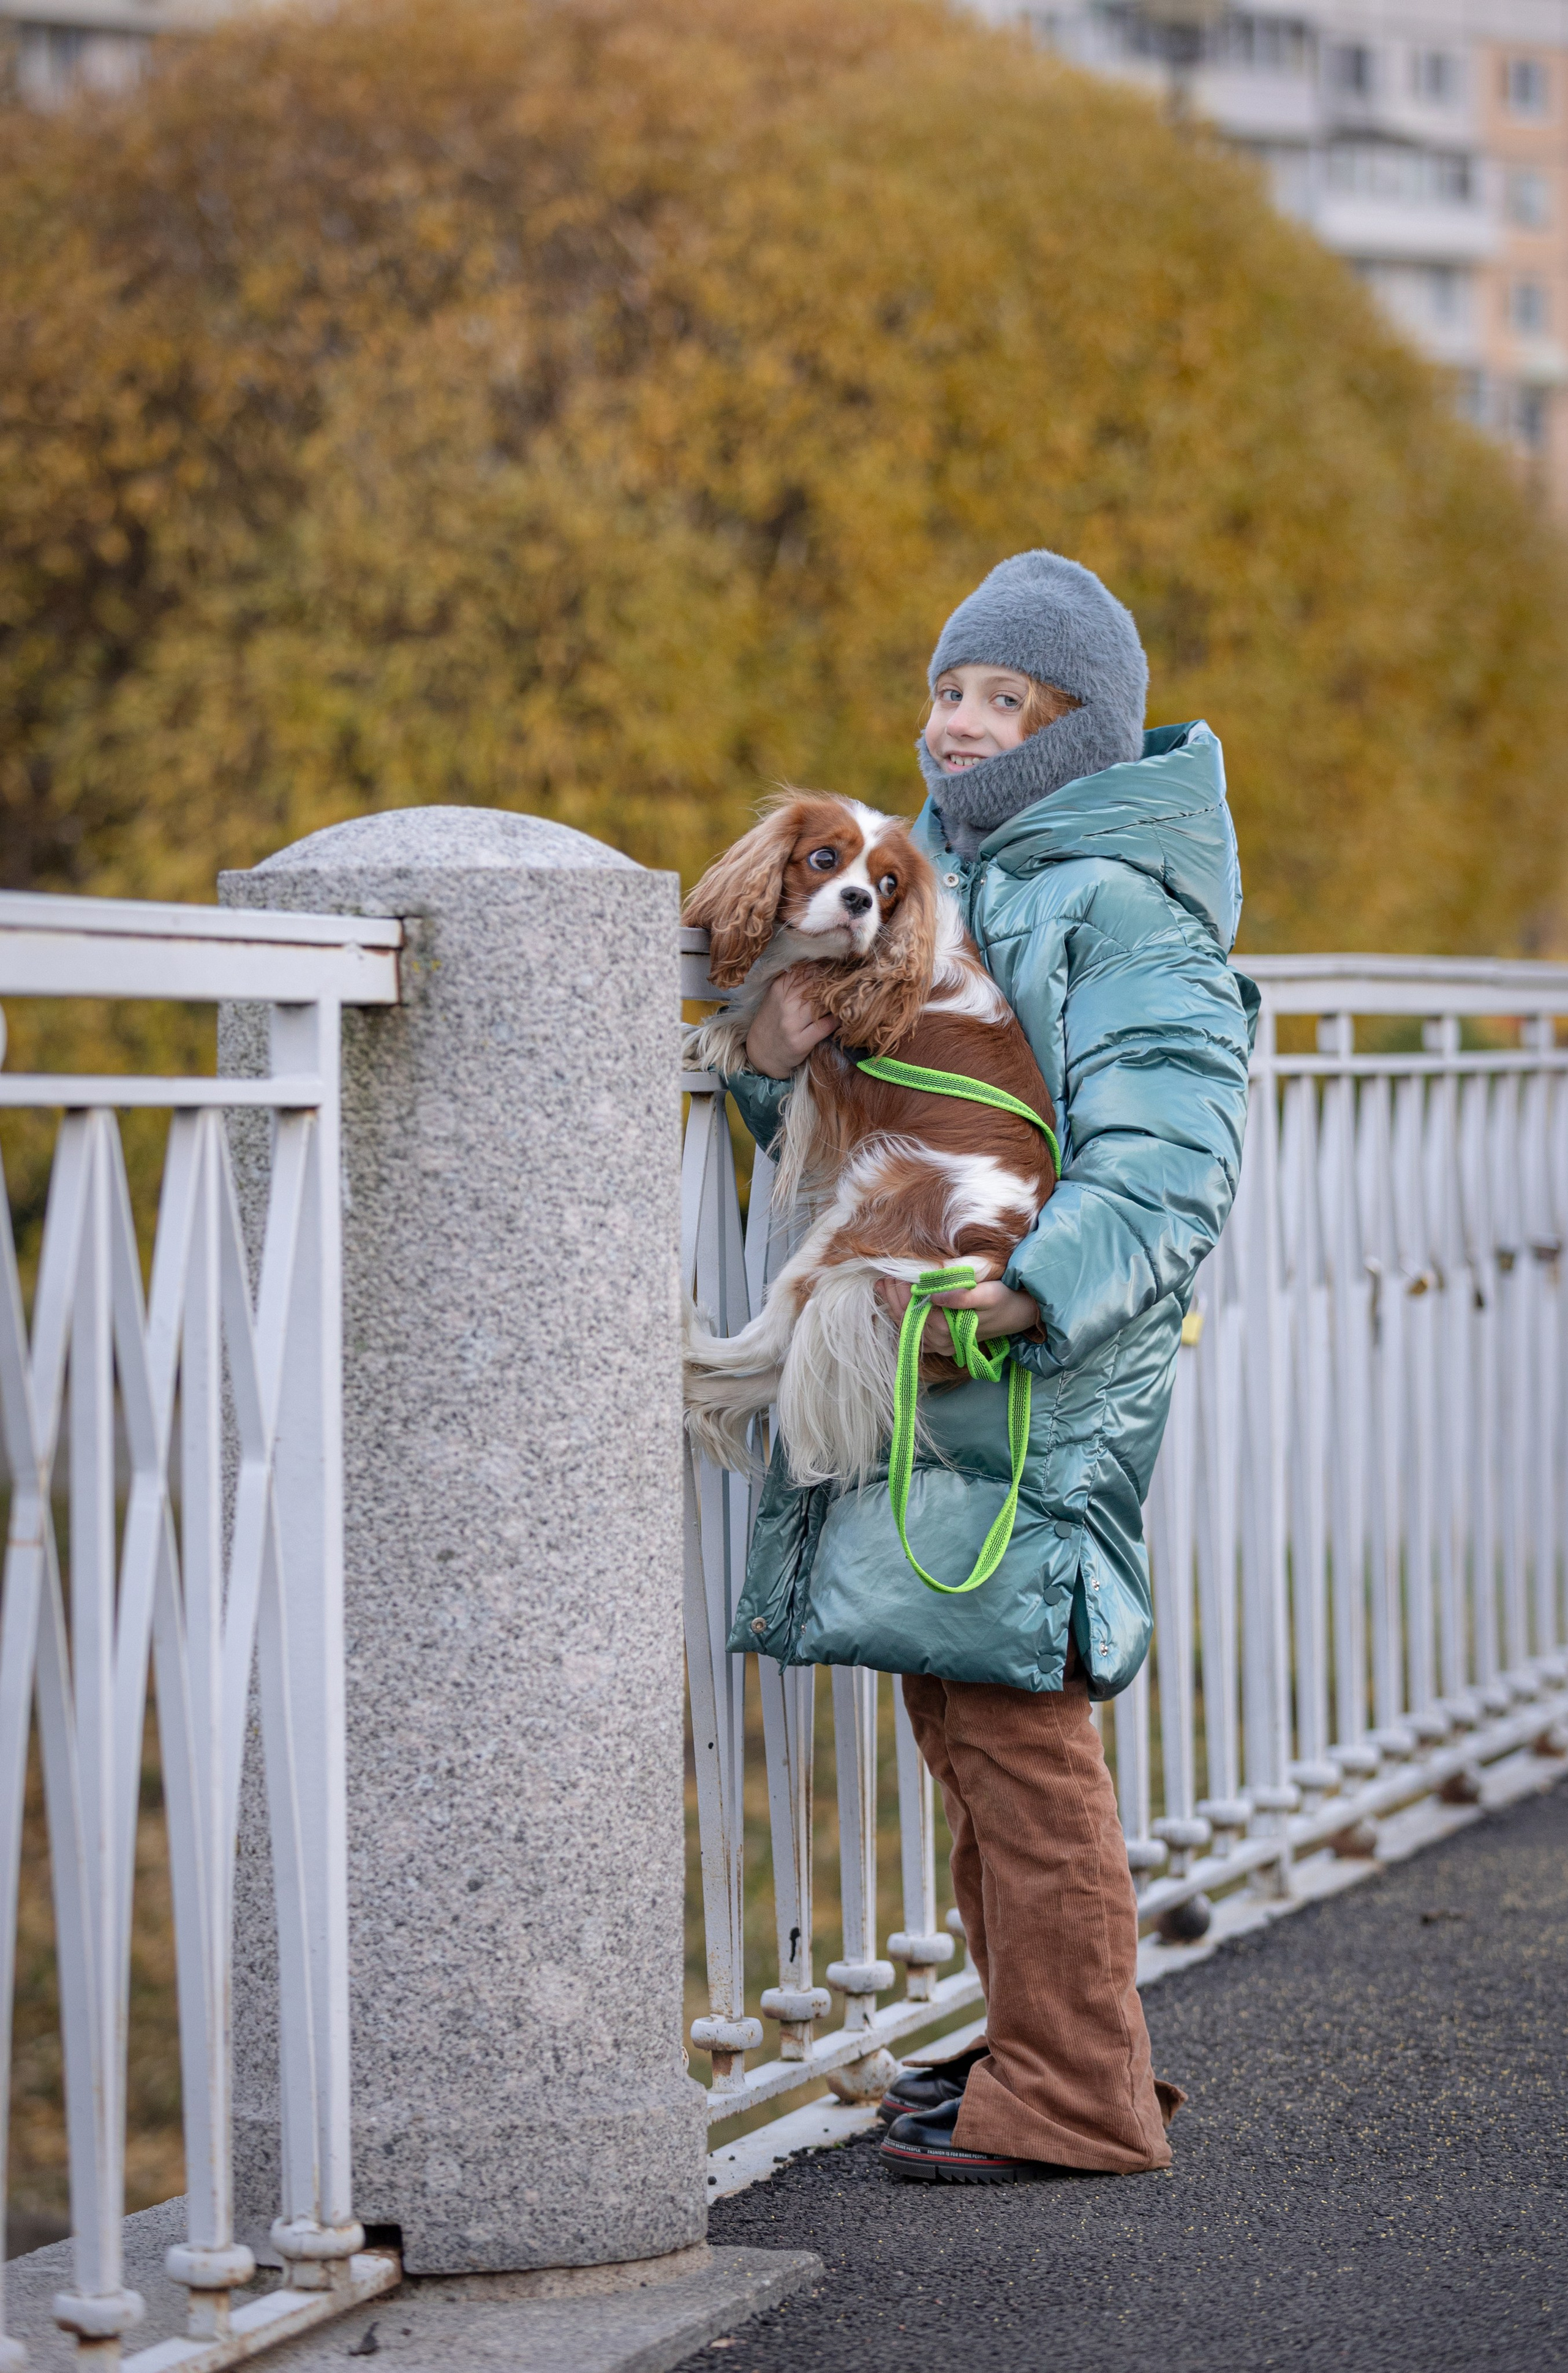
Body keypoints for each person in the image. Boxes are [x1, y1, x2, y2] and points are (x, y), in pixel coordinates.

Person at [724, 549, 1256, 2184]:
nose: (956, 722)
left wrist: (1030, 1297)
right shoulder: (938, 875)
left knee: (1022, 1737)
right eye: (947, 689)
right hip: (952, 1349)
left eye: (1001, 698)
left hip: (1038, 1364)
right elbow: (895, 1109)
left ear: (1074, 726)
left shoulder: (1121, 902)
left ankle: (1081, 2093)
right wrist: (770, 1061)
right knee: (963, 1726)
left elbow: (1169, 1160)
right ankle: (1037, 2036)